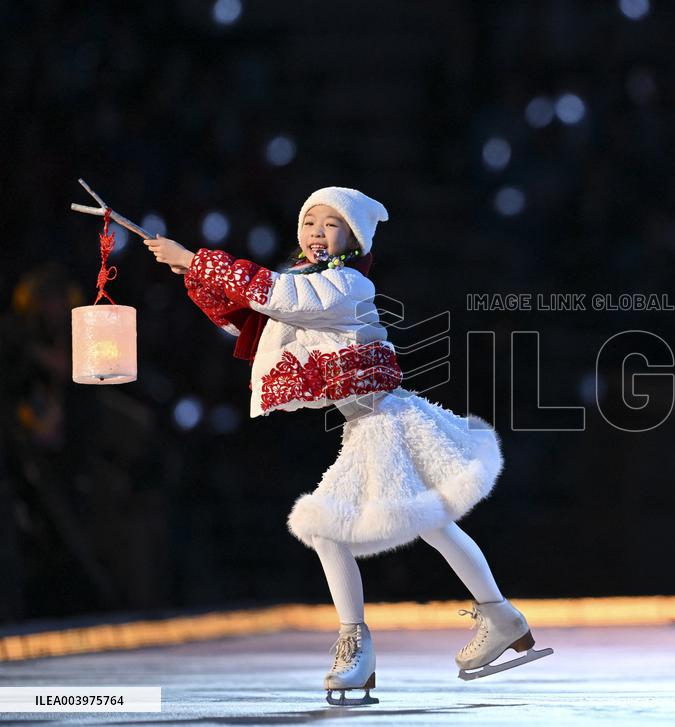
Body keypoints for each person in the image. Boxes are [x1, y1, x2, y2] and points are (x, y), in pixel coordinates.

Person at [143, 186, 551, 705]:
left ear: (353, 238)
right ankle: (499, 617)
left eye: (330, 224)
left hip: (385, 419)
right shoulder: (303, 282)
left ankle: (359, 643)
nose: (316, 231)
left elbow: (272, 296)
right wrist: (195, 275)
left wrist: (198, 259)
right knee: (426, 523)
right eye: (310, 221)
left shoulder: (345, 284)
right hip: (375, 422)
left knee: (331, 527)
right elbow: (249, 318)